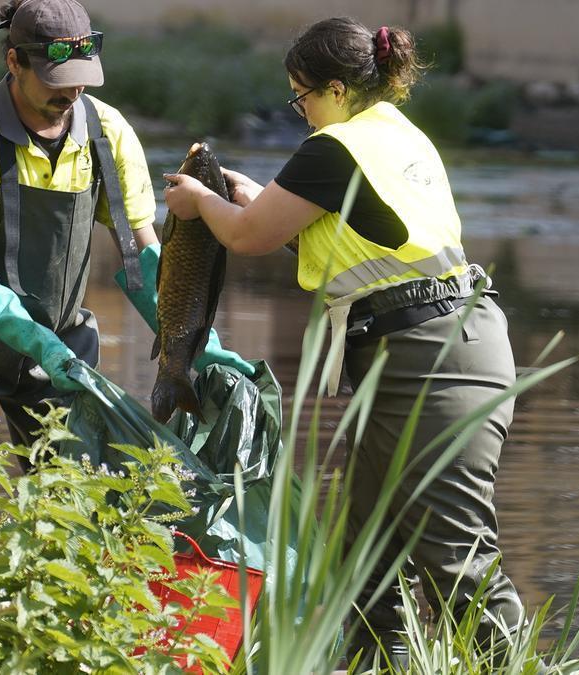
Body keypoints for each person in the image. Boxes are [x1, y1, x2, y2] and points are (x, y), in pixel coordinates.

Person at [163, 16, 524, 658]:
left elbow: (246, 237)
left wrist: (198, 203)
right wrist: (251, 198)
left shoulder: (337, 147)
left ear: (332, 87)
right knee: (368, 550)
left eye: (299, 96)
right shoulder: (399, 136)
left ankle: (519, 668)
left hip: (432, 358)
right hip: (427, 347)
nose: (299, 112)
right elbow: (361, 235)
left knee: (453, 552)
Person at [0, 0, 252, 467]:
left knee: (72, 498)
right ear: (14, 61)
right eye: (56, 81)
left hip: (65, 346)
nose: (71, 94)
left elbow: (143, 263)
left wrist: (196, 347)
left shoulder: (108, 133)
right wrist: (39, 344)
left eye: (80, 80)